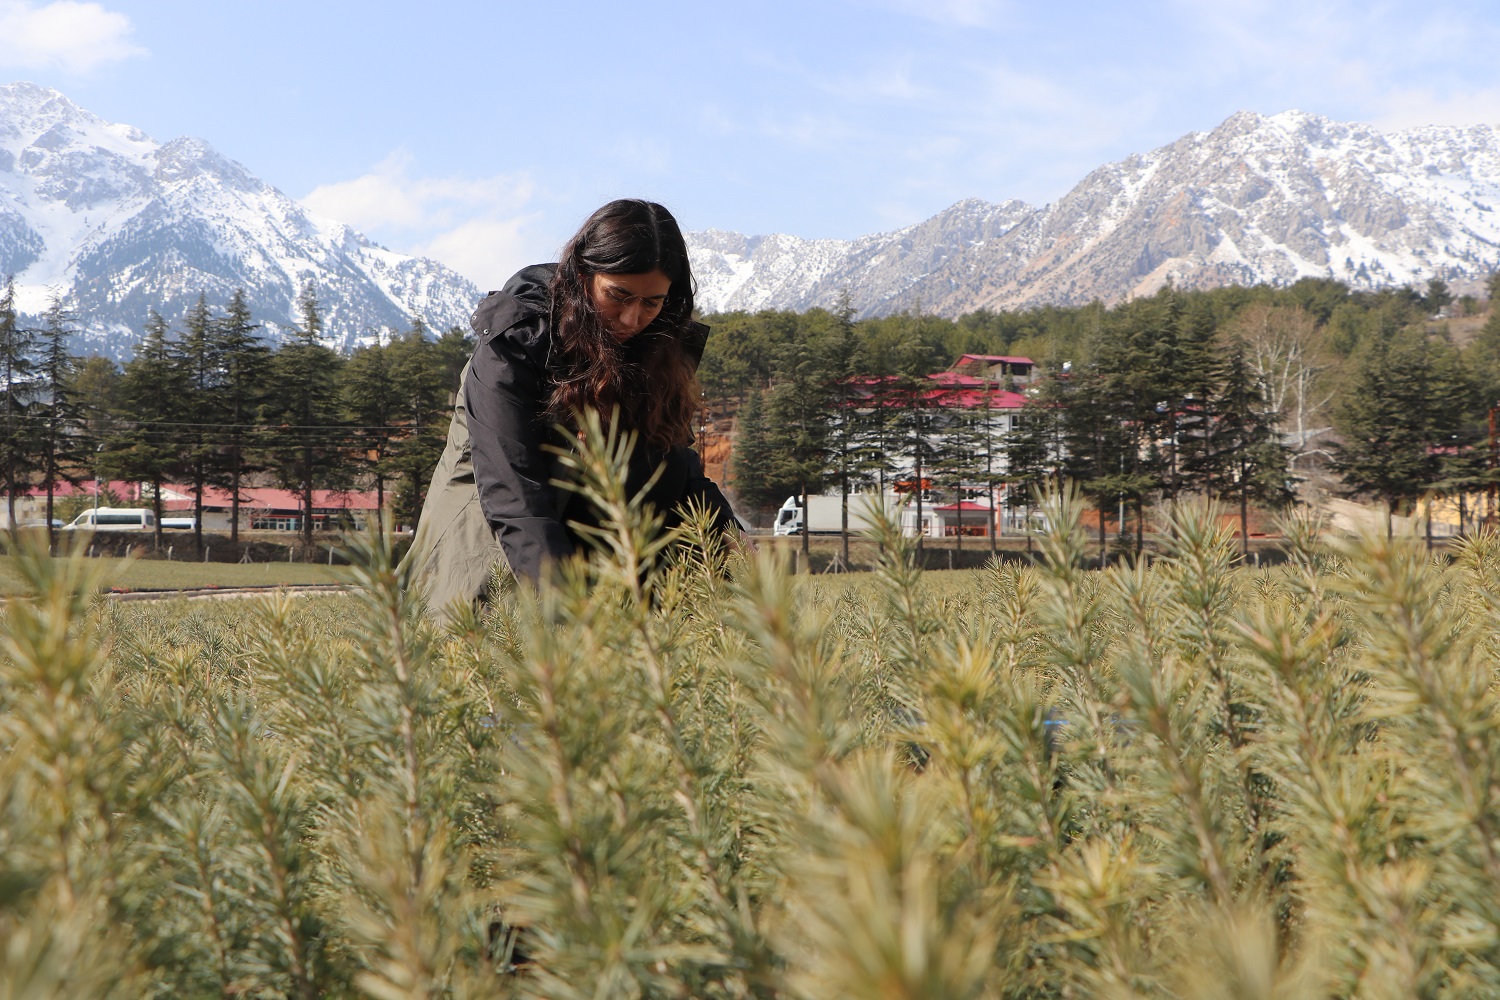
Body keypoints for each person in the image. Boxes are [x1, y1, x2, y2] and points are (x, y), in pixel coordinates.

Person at [408, 199, 739, 613]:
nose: (633, 317)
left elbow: (673, 467)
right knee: (502, 651)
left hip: (590, 544)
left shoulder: (657, 351)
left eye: (652, 303)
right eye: (618, 295)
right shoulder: (516, 341)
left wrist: (733, 545)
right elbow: (512, 486)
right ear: (582, 276)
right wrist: (567, 608)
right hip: (488, 537)